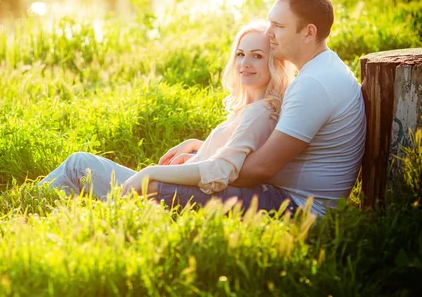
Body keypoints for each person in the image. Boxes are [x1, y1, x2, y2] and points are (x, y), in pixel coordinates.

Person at [39, 20, 299, 213]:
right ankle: (45, 212)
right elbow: (236, 153)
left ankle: (25, 206)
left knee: (77, 164)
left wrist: (153, 173)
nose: (244, 63)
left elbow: (220, 172)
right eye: (240, 54)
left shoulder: (260, 112)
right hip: (178, 188)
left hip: (179, 195)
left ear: (274, 63)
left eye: (257, 56)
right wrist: (198, 147)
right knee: (76, 171)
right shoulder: (249, 108)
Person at [205, 0, 366, 217]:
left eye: (278, 26)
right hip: (296, 197)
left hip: (299, 208)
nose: (268, 33)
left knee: (164, 188)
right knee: (181, 174)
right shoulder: (324, 69)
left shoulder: (313, 84)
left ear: (309, 33)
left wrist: (205, 169)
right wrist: (204, 154)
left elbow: (261, 167)